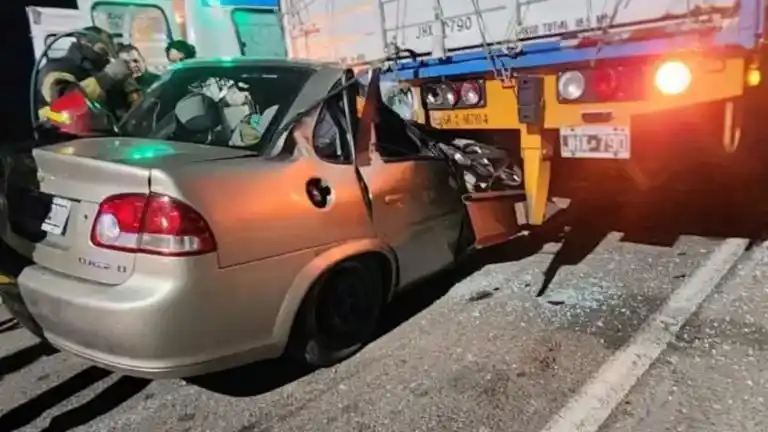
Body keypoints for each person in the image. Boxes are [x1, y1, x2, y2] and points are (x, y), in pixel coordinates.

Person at [37, 26, 140, 121]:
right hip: (72, 139)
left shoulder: (96, 69)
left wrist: (130, 88)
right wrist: (107, 77)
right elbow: (66, 105)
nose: (108, 56)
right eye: (103, 50)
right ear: (84, 42)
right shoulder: (54, 71)